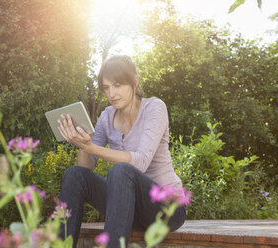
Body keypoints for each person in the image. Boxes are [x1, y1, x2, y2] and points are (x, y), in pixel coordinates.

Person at [57, 55, 186, 248]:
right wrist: (84, 145)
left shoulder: (154, 108)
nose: (111, 94)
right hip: (129, 208)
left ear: (135, 81)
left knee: (121, 170)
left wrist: (92, 147)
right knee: (74, 174)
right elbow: (85, 168)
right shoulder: (106, 117)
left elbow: (141, 161)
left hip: (167, 208)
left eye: (117, 85)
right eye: (106, 87)